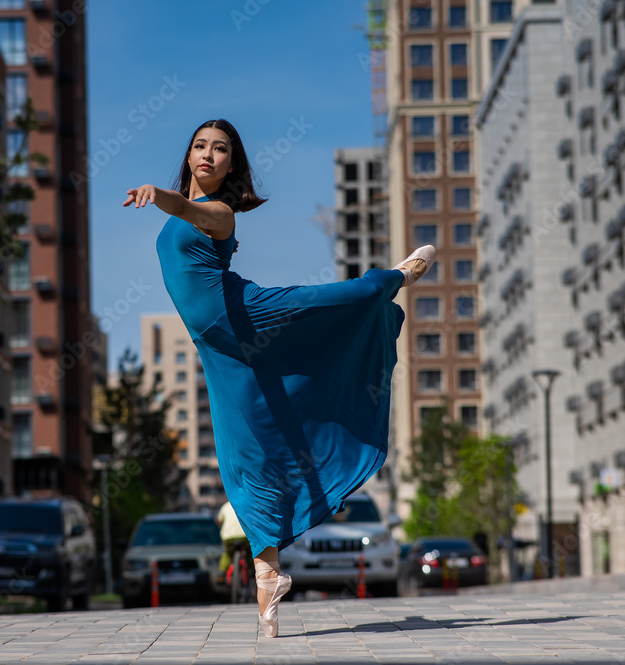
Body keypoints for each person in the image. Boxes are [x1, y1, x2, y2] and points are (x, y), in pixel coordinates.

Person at [123, 118, 434, 638]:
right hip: (216, 347)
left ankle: (390, 281)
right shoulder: (194, 208)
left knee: (315, 305)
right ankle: (267, 576)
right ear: (190, 154)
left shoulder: (218, 212)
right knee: (241, 456)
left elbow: (191, 211)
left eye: (220, 150)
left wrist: (162, 197)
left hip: (239, 316)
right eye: (200, 146)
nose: (208, 155)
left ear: (231, 165)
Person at [215, 500, 251, 581]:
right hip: (244, 536)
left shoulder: (225, 506)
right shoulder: (246, 503)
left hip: (228, 537)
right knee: (250, 553)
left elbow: (219, 521)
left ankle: (221, 573)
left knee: (227, 554)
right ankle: (252, 571)